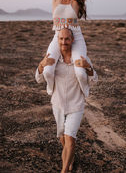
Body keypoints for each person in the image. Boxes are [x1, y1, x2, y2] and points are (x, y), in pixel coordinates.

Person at [36, 28, 98, 173]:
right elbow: (38, 79)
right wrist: (42, 64)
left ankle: (65, 170)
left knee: (70, 138)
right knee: (63, 137)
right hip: (57, 104)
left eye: (67, 39)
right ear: (58, 40)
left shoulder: (82, 58)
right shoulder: (53, 60)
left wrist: (88, 67)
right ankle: (70, 157)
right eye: (61, 39)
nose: (64, 42)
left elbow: (94, 80)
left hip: (76, 104)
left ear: (72, 40)